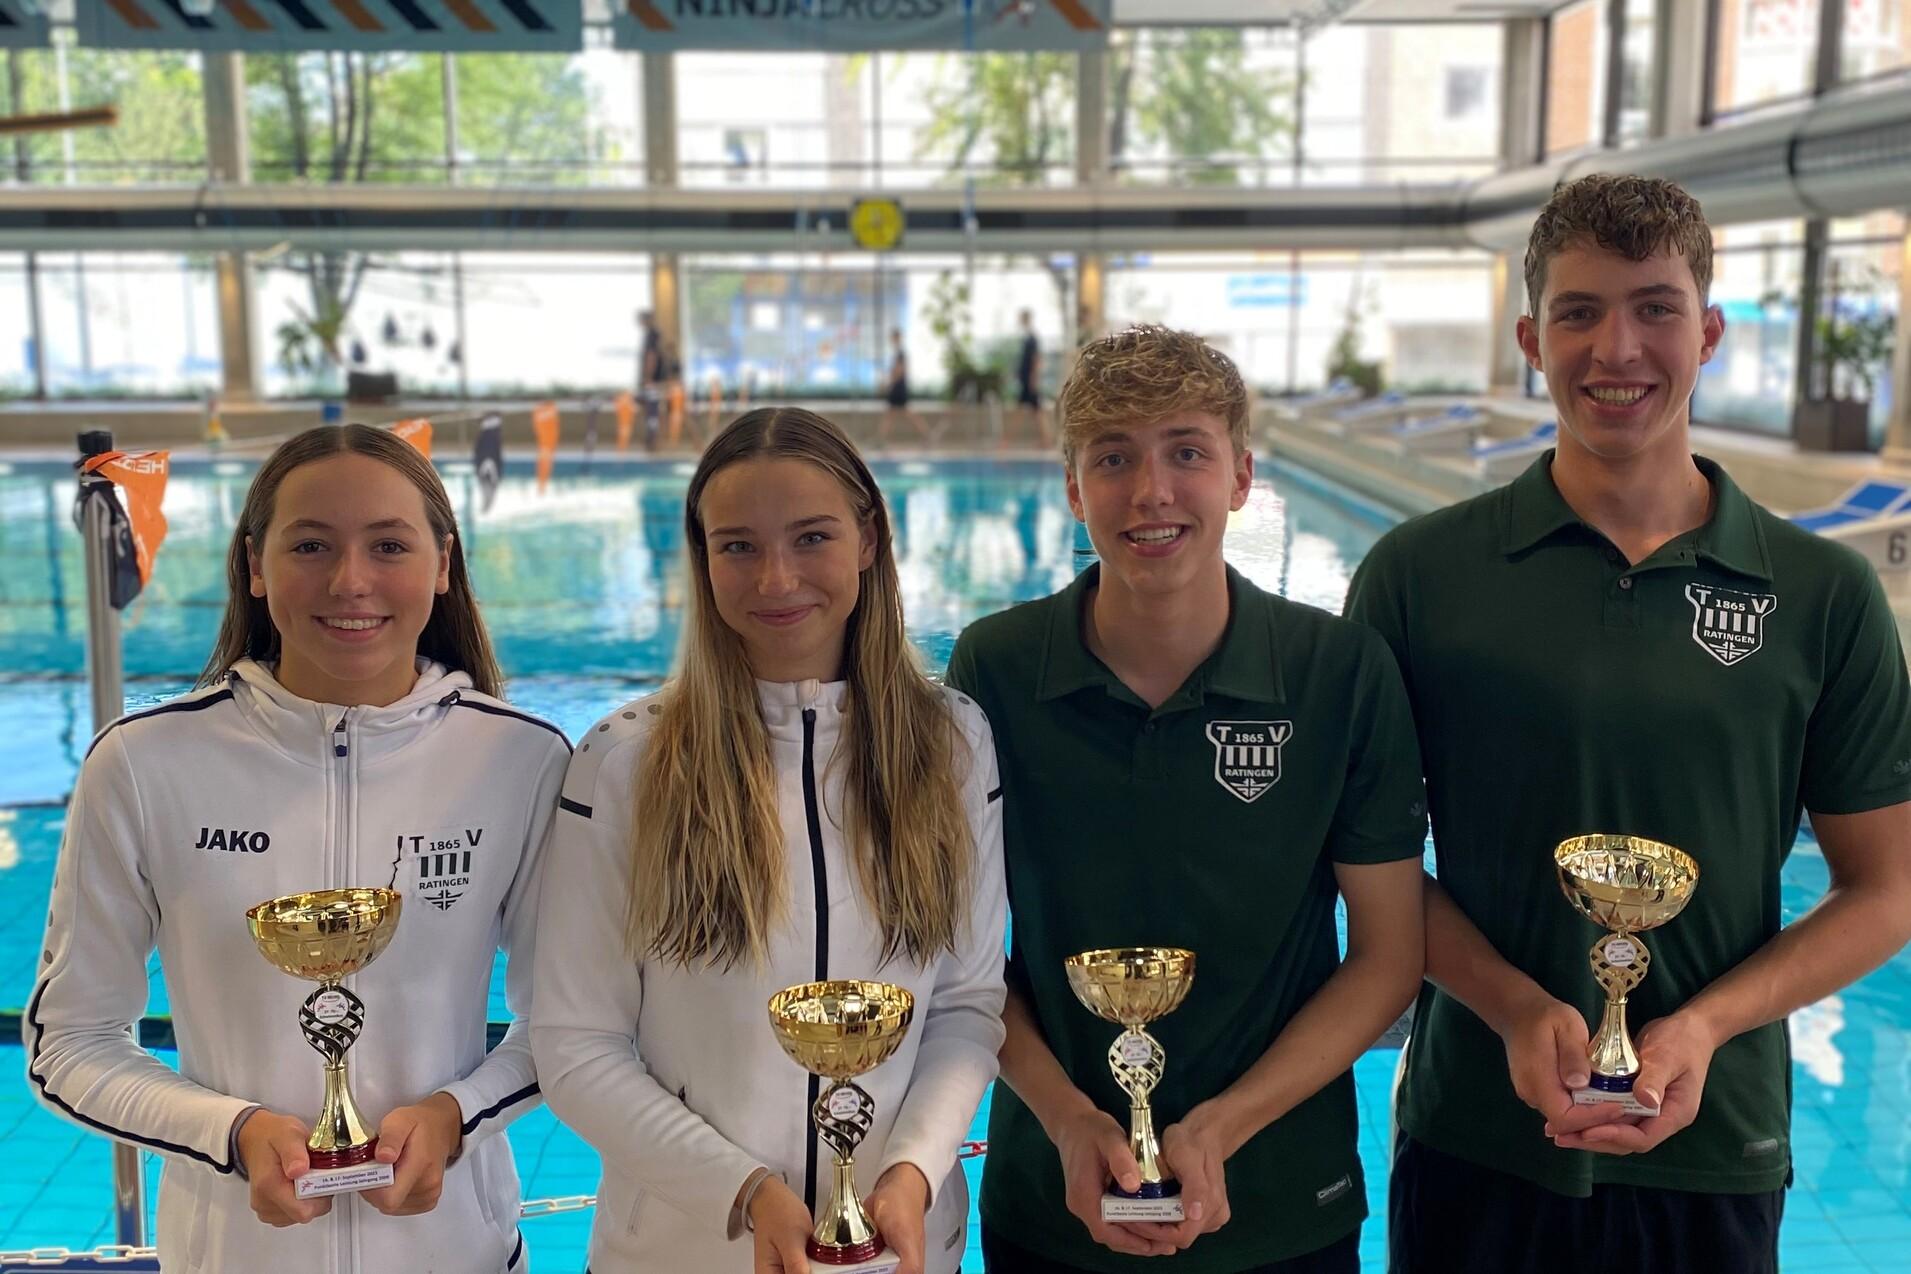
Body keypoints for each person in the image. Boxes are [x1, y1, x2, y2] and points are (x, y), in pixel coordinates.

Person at [1343, 173, 1911, 1274]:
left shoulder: (1824, 593)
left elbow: (1886, 885)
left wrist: (1702, 1027)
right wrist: (1511, 1008)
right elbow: (1363, 859)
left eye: (1655, 308)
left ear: (1709, 332)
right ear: (1529, 335)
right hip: (1477, 1131)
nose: (1618, 349)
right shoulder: (1422, 575)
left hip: (1718, 1141)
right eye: (1580, 311)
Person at [27, 423, 570, 1274]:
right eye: (310, 544)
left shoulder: (523, 760)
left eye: (388, 545)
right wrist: (230, 1135)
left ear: (442, 564)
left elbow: (568, 1023)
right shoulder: (143, 765)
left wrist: (456, 1114)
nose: (350, 581)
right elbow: (70, 1042)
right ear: (253, 564)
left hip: (460, 1253)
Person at [946, 325, 1427, 1273]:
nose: (1152, 491)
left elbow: (1386, 956)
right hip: (1053, 1199)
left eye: (1187, 453)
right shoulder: (994, 669)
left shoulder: (1336, 674)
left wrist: (1221, 1127)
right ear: (1074, 489)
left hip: (1283, 1199)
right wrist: (1071, 1120)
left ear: (1241, 477)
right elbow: (959, 958)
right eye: (1113, 458)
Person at [532, 407, 1008, 1273]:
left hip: (899, 1246)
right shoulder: (625, 762)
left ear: (868, 540)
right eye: (738, 546)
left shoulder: (953, 742)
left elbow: (965, 1003)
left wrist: (911, 1170)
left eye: (811, 537)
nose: (777, 577)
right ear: (701, 557)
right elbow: (573, 1040)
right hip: (685, 1250)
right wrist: (741, 1189)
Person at [879, 327, 928, 446]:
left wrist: (889, 383)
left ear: (897, 338)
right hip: (898, 387)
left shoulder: (900, 353)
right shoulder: (898, 353)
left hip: (898, 388)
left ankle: (926, 434)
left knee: (898, 414)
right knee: (894, 414)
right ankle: (925, 434)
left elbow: (900, 371)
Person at [1013, 309, 1048, 449]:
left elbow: (1036, 359)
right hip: (1025, 380)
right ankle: (1045, 440)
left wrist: (1034, 379)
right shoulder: (1027, 338)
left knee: (1035, 411)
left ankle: (1046, 440)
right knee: (1036, 412)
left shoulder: (1032, 338)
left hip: (1029, 381)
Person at [637, 308, 664, 449]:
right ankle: (652, 439)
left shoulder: (651, 335)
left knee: (652, 411)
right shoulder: (652, 334)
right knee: (650, 409)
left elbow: (651, 356)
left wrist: (648, 377)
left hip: (651, 381)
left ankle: (653, 440)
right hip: (652, 380)